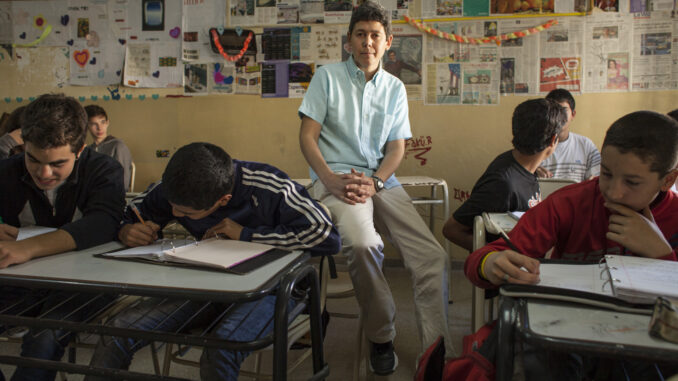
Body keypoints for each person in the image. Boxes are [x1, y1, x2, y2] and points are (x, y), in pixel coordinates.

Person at [85, 142, 340, 381]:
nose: (174, 215)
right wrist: (126, 229)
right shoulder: (174, 187)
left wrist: (247, 235)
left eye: (186, 214)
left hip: (272, 292)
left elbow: (326, 235)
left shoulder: (268, 185)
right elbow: (131, 212)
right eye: (174, 207)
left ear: (223, 201)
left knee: (222, 347)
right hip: (207, 284)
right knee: (119, 329)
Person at [298, 1, 452, 374]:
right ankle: (381, 335)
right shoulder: (327, 78)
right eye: (360, 34)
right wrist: (329, 180)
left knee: (432, 256)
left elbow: (397, 147)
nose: (368, 42)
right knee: (364, 244)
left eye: (375, 36)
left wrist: (378, 181)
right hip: (338, 179)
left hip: (381, 180)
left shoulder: (395, 88)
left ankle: (436, 351)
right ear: (349, 41)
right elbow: (307, 137)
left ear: (388, 42)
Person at [466, 110, 678, 380]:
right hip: (565, 337)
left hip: (647, 344)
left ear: (667, 180)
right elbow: (484, 258)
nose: (613, 192)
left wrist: (662, 255)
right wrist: (491, 263)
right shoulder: (570, 202)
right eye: (606, 173)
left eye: (632, 182)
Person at [0, 94, 125, 381]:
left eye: (58, 163)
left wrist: (27, 248)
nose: (44, 173)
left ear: (80, 150)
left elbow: (102, 224)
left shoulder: (105, 171)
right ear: (23, 145)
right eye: (33, 159)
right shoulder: (7, 172)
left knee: (44, 338)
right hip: (22, 281)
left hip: (87, 282)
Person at [443, 98, 565, 252]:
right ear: (553, 140)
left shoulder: (524, 165)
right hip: (508, 270)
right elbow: (452, 230)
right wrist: (495, 257)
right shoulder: (502, 183)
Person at [537, 89, 601, 182]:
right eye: (554, 111)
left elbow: (597, 180)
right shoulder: (535, 145)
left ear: (573, 114)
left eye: (563, 110)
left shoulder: (586, 145)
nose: (559, 116)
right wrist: (532, 170)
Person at [84, 105, 134, 191]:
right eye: (93, 124)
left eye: (102, 122)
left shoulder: (118, 146)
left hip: (111, 195)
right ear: (87, 126)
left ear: (107, 123)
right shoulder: (88, 150)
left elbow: (123, 182)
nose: (99, 128)